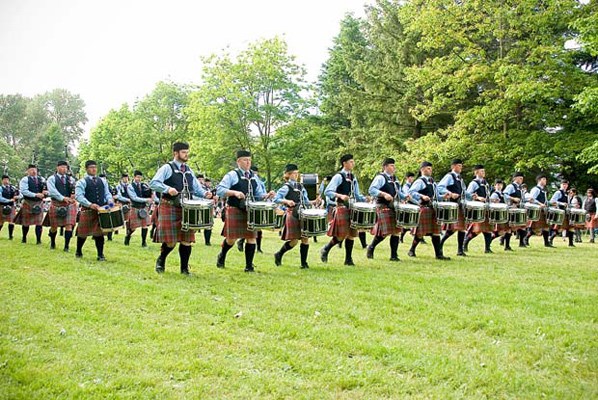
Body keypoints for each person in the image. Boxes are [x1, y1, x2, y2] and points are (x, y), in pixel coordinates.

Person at [150, 142, 213, 275]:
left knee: (187, 240)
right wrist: (167, 189)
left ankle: (184, 269)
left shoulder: (189, 170)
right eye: (184, 152)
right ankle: (161, 260)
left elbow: (196, 188)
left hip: (186, 208)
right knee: (171, 241)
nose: (186, 155)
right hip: (170, 206)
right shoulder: (167, 168)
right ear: (176, 153)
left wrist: (205, 193)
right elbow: (153, 183)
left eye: (187, 152)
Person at [216, 150, 274, 272]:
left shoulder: (254, 176)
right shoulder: (232, 175)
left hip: (250, 211)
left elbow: (258, 193)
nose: (248, 162)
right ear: (238, 161)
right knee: (231, 239)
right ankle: (222, 255)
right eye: (245, 160)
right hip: (235, 209)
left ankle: (249, 266)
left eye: (249, 160)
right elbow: (220, 190)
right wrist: (234, 192)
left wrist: (267, 195)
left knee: (251, 237)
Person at [320, 154, 367, 266]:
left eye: (353, 161)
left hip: (352, 207)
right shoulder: (338, 176)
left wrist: (365, 198)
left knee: (351, 234)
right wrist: (340, 195)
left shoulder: (352, 177)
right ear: (344, 163)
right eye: (351, 162)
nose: (353, 164)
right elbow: (328, 191)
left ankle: (348, 259)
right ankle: (326, 249)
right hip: (341, 206)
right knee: (341, 235)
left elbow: (356, 194)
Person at [367, 158, 409, 262]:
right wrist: (384, 194)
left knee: (396, 231)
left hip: (393, 206)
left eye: (394, 166)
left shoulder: (395, 179)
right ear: (385, 167)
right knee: (384, 233)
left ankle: (394, 256)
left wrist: (405, 196)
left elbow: (397, 192)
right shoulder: (381, 178)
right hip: (382, 205)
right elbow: (371, 190)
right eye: (391, 166)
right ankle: (371, 247)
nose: (394, 168)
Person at [407, 161, 450, 260]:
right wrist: (422, 196)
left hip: (433, 209)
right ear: (422, 169)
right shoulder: (420, 181)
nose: (430, 170)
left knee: (436, 232)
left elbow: (436, 196)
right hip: (424, 208)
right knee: (420, 232)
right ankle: (411, 250)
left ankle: (438, 254)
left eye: (431, 168)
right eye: (428, 168)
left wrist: (443, 196)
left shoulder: (432, 182)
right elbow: (411, 192)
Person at [273, 164, 313, 269]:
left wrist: (314, 201)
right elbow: (276, 199)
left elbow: (306, 201)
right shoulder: (286, 187)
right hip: (292, 213)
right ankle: (279, 254)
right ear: (288, 174)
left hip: (303, 213)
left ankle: (304, 264)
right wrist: (286, 201)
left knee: (305, 237)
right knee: (294, 241)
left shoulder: (300, 186)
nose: (296, 175)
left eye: (297, 173)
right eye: (294, 173)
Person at [74, 160, 113, 260]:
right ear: (86, 169)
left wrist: (110, 201)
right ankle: (78, 251)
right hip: (87, 210)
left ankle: (100, 255)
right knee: (82, 233)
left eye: (95, 167)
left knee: (99, 234)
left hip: (101, 211)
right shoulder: (81, 182)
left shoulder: (103, 181)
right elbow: (78, 196)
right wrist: (90, 204)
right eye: (91, 167)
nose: (94, 169)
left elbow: (107, 193)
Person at [438, 159, 470, 256]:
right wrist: (450, 194)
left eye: (461, 166)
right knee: (452, 229)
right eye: (459, 166)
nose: (461, 168)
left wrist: (472, 196)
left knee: (462, 228)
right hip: (452, 204)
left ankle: (460, 250)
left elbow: (464, 191)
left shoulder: (460, 178)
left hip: (460, 204)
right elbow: (440, 187)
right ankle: (440, 244)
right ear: (453, 167)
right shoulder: (449, 176)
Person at [43, 161, 77, 251]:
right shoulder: (51, 179)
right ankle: (53, 242)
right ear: (57, 168)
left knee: (69, 225)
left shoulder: (71, 179)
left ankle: (66, 246)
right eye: (62, 167)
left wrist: (73, 196)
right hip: (56, 203)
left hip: (69, 204)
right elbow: (52, 191)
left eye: (66, 167)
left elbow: (74, 189)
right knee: (54, 226)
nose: (64, 169)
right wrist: (62, 198)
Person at [463, 165, 494, 253]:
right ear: (476, 172)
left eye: (484, 171)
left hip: (486, 207)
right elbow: (468, 195)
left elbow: (487, 195)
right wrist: (477, 198)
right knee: (477, 229)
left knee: (488, 229)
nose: (483, 173)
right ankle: (465, 243)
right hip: (478, 208)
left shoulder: (486, 183)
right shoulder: (474, 183)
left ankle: (487, 248)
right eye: (481, 171)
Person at [15, 164, 48, 244]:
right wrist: (36, 194)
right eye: (31, 170)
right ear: (27, 171)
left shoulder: (42, 179)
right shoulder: (25, 179)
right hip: (28, 202)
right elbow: (24, 191)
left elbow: (46, 189)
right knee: (26, 222)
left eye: (35, 170)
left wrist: (46, 192)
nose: (34, 171)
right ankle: (24, 238)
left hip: (39, 203)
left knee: (39, 223)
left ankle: (38, 240)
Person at [236, 165, 265, 253]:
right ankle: (242, 241)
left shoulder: (258, 180)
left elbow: (261, 193)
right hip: (248, 206)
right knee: (252, 228)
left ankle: (258, 247)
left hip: (257, 205)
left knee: (257, 229)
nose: (255, 174)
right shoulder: (244, 178)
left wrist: (266, 196)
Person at [125, 170, 153, 247]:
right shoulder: (130, 186)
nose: (139, 179)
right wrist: (146, 200)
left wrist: (150, 193)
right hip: (135, 207)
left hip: (143, 207)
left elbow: (148, 193)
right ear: (134, 177)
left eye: (140, 177)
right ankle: (128, 236)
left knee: (145, 225)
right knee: (133, 227)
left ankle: (144, 242)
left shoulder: (144, 185)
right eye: (138, 177)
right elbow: (134, 198)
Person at [525, 174, 553, 247]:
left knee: (546, 227)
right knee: (535, 227)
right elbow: (531, 200)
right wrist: (539, 204)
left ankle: (546, 243)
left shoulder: (543, 190)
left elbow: (545, 201)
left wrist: (551, 203)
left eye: (545, 180)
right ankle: (525, 239)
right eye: (544, 179)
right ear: (539, 180)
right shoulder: (535, 189)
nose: (545, 181)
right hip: (537, 211)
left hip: (543, 210)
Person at [489, 179, 514, 251]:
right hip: (498, 215)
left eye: (500, 185)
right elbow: (492, 204)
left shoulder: (503, 195)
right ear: (495, 186)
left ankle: (507, 246)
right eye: (497, 185)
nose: (499, 186)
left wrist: (511, 206)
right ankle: (488, 242)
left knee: (508, 230)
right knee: (500, 232)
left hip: (504, 214)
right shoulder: (494, 194)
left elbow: (506, 204)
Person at [504, 172, 527, 248]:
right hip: (512, 208)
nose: (521, 179)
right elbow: (504, 195)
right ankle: (506, 245)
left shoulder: (520, 187)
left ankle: (521, 243)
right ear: (515, 178)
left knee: (522, 226)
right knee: (510, 227)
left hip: (519, 208)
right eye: (520, 178)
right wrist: (513, 199)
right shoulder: (511, 186)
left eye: (522, 178)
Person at [549, 179, 575, 247]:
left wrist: (573, 205)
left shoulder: (566, 194)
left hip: (565, 212)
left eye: (566, 184)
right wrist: (562, 204)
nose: (565, 186)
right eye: (563, 184)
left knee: (570, 227)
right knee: (557, 228)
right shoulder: (558, 192)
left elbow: (567, 204)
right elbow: (552, 201)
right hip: (559, 212)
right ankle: (550, 239)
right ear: (561, 184)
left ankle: (571, 243)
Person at [0, 174, 20, 239]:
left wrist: (17, 197)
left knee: (12, 221)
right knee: (1, 221)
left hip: (11, 206)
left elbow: (21, 194)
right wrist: (9, 200)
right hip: (2, 206)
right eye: (4, 180)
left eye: (7, 180)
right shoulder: (0, 188)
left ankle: (10, 236)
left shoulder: (13, 188)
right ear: (2, 181)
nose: (6, 181)